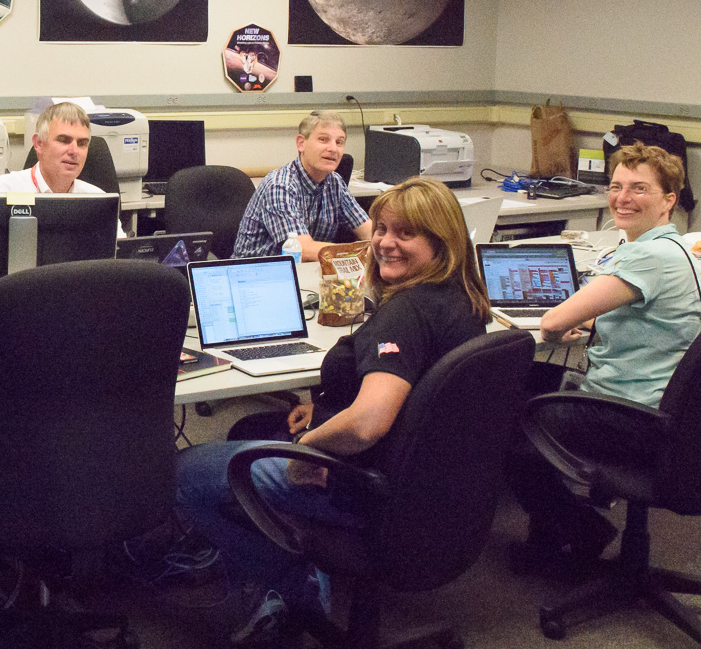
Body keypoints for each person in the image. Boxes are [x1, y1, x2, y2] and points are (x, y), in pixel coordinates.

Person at [177, 177, 490, 644]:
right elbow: (418, 397)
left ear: (441, 242)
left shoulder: (408, 313)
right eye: (381, 229)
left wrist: (309, 446)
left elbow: (367, 424)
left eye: (405, 233)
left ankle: (293, 590)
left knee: (184, 473)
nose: (384, 243)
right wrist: (324, 409)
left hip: (362, 485)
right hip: (432, 488)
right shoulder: (465, 301)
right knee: (251, 427)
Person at [507, 143, 701, 568]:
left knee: (513, 429)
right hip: (672, 408)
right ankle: (554, 539)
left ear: (669, 200)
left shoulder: (647, 256)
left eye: (639, 188)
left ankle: (580, 532)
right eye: (616, 187)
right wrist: (594, 321)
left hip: (633, 415)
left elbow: (551, 323)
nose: (622, 198)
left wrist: (565, 323)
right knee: (536, 383)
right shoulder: (677, 250)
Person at [232, 110, 371, 260]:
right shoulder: (280, 185)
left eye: (339, 142)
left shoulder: (335, 182)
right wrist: (357, 253)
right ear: (301, 143)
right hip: (256, 271)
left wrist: (381, 244)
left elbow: (369, 231)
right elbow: (301, 249)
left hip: (307, 269)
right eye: (323, 139)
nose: (333, 149)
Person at [0, 101, 106, 195]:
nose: (74, 151)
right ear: (39, 144)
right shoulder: (3, 190)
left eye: (82, 143)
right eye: (64, 140)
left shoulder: (97, 199)